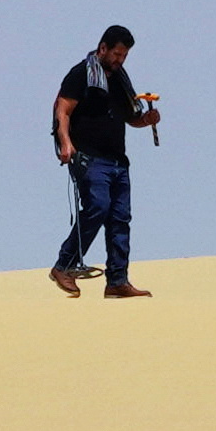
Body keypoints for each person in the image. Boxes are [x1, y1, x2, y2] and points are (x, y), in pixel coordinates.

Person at [50, 25, 159, 297]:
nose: (120, 60)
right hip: (88, 157)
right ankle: (64, 265)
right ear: (103, 48)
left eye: (125, 55)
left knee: (120, 218)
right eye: (117, 54)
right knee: (98, 206)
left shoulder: (120, 80)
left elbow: (130, 117)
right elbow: (62, 109)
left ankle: (117, 280)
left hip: (118, 161)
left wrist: (146, 121)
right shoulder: (81, 74)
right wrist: (65, 142)